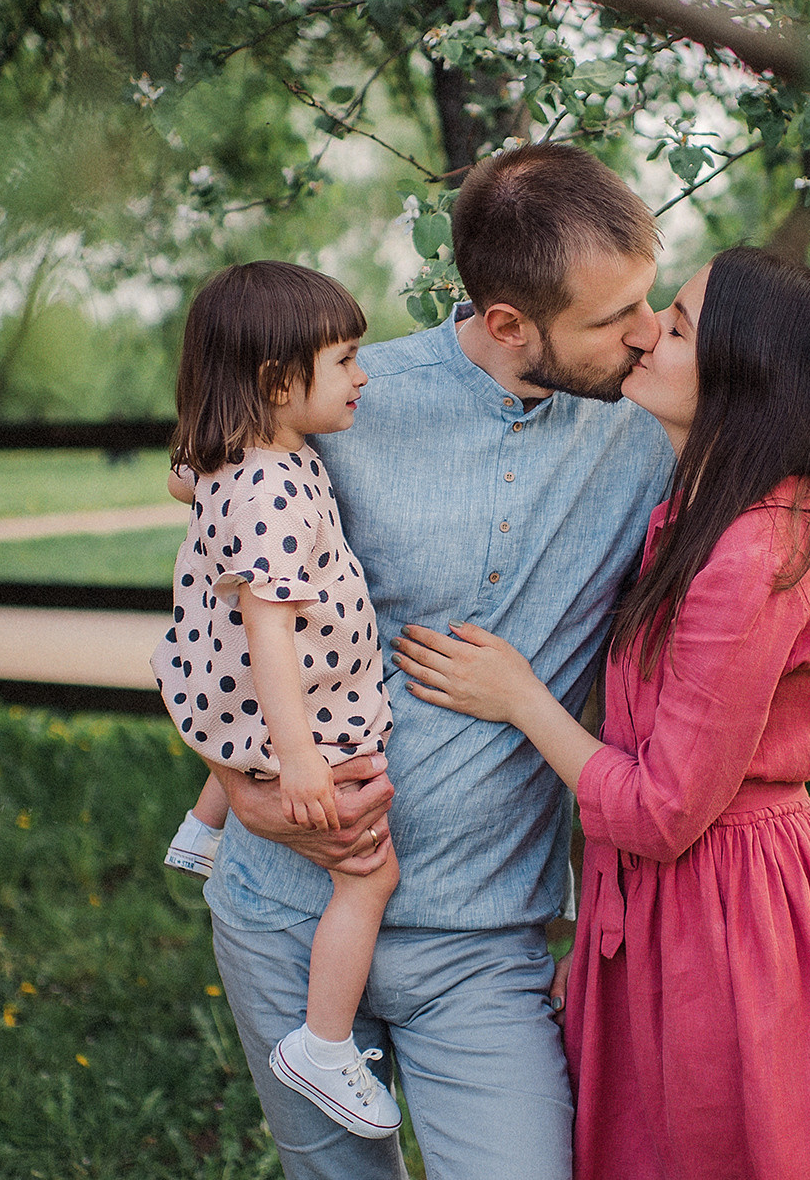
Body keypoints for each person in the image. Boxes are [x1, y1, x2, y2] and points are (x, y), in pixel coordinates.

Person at [197, 144, 676, 1179]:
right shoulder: (346, 406)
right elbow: (211, 611)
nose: (646, 336)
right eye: (610, 319)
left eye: (650, 299)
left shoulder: (653, 427)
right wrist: (244, 787)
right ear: (507, 324)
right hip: (288, 909)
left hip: (485, 938)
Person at [395, 247, 810, 1179]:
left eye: (675, 327)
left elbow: (665, 808)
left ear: (739, 383)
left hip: (733, 926)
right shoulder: (699, 509)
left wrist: (520, 699)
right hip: (660, 913)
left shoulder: (757, 551)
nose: (646, 335)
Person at [154, 261, 403, 1138]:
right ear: (276, 381)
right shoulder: (268, 488)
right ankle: (323, 1044)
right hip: (281, 700)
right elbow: (268, 634)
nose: (362, 376)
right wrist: (299, 755)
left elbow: (185, 477)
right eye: (344, 360)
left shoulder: (236, 456)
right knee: (371, 874)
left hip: (218, 691)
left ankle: (202, 825)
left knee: (243, 734)